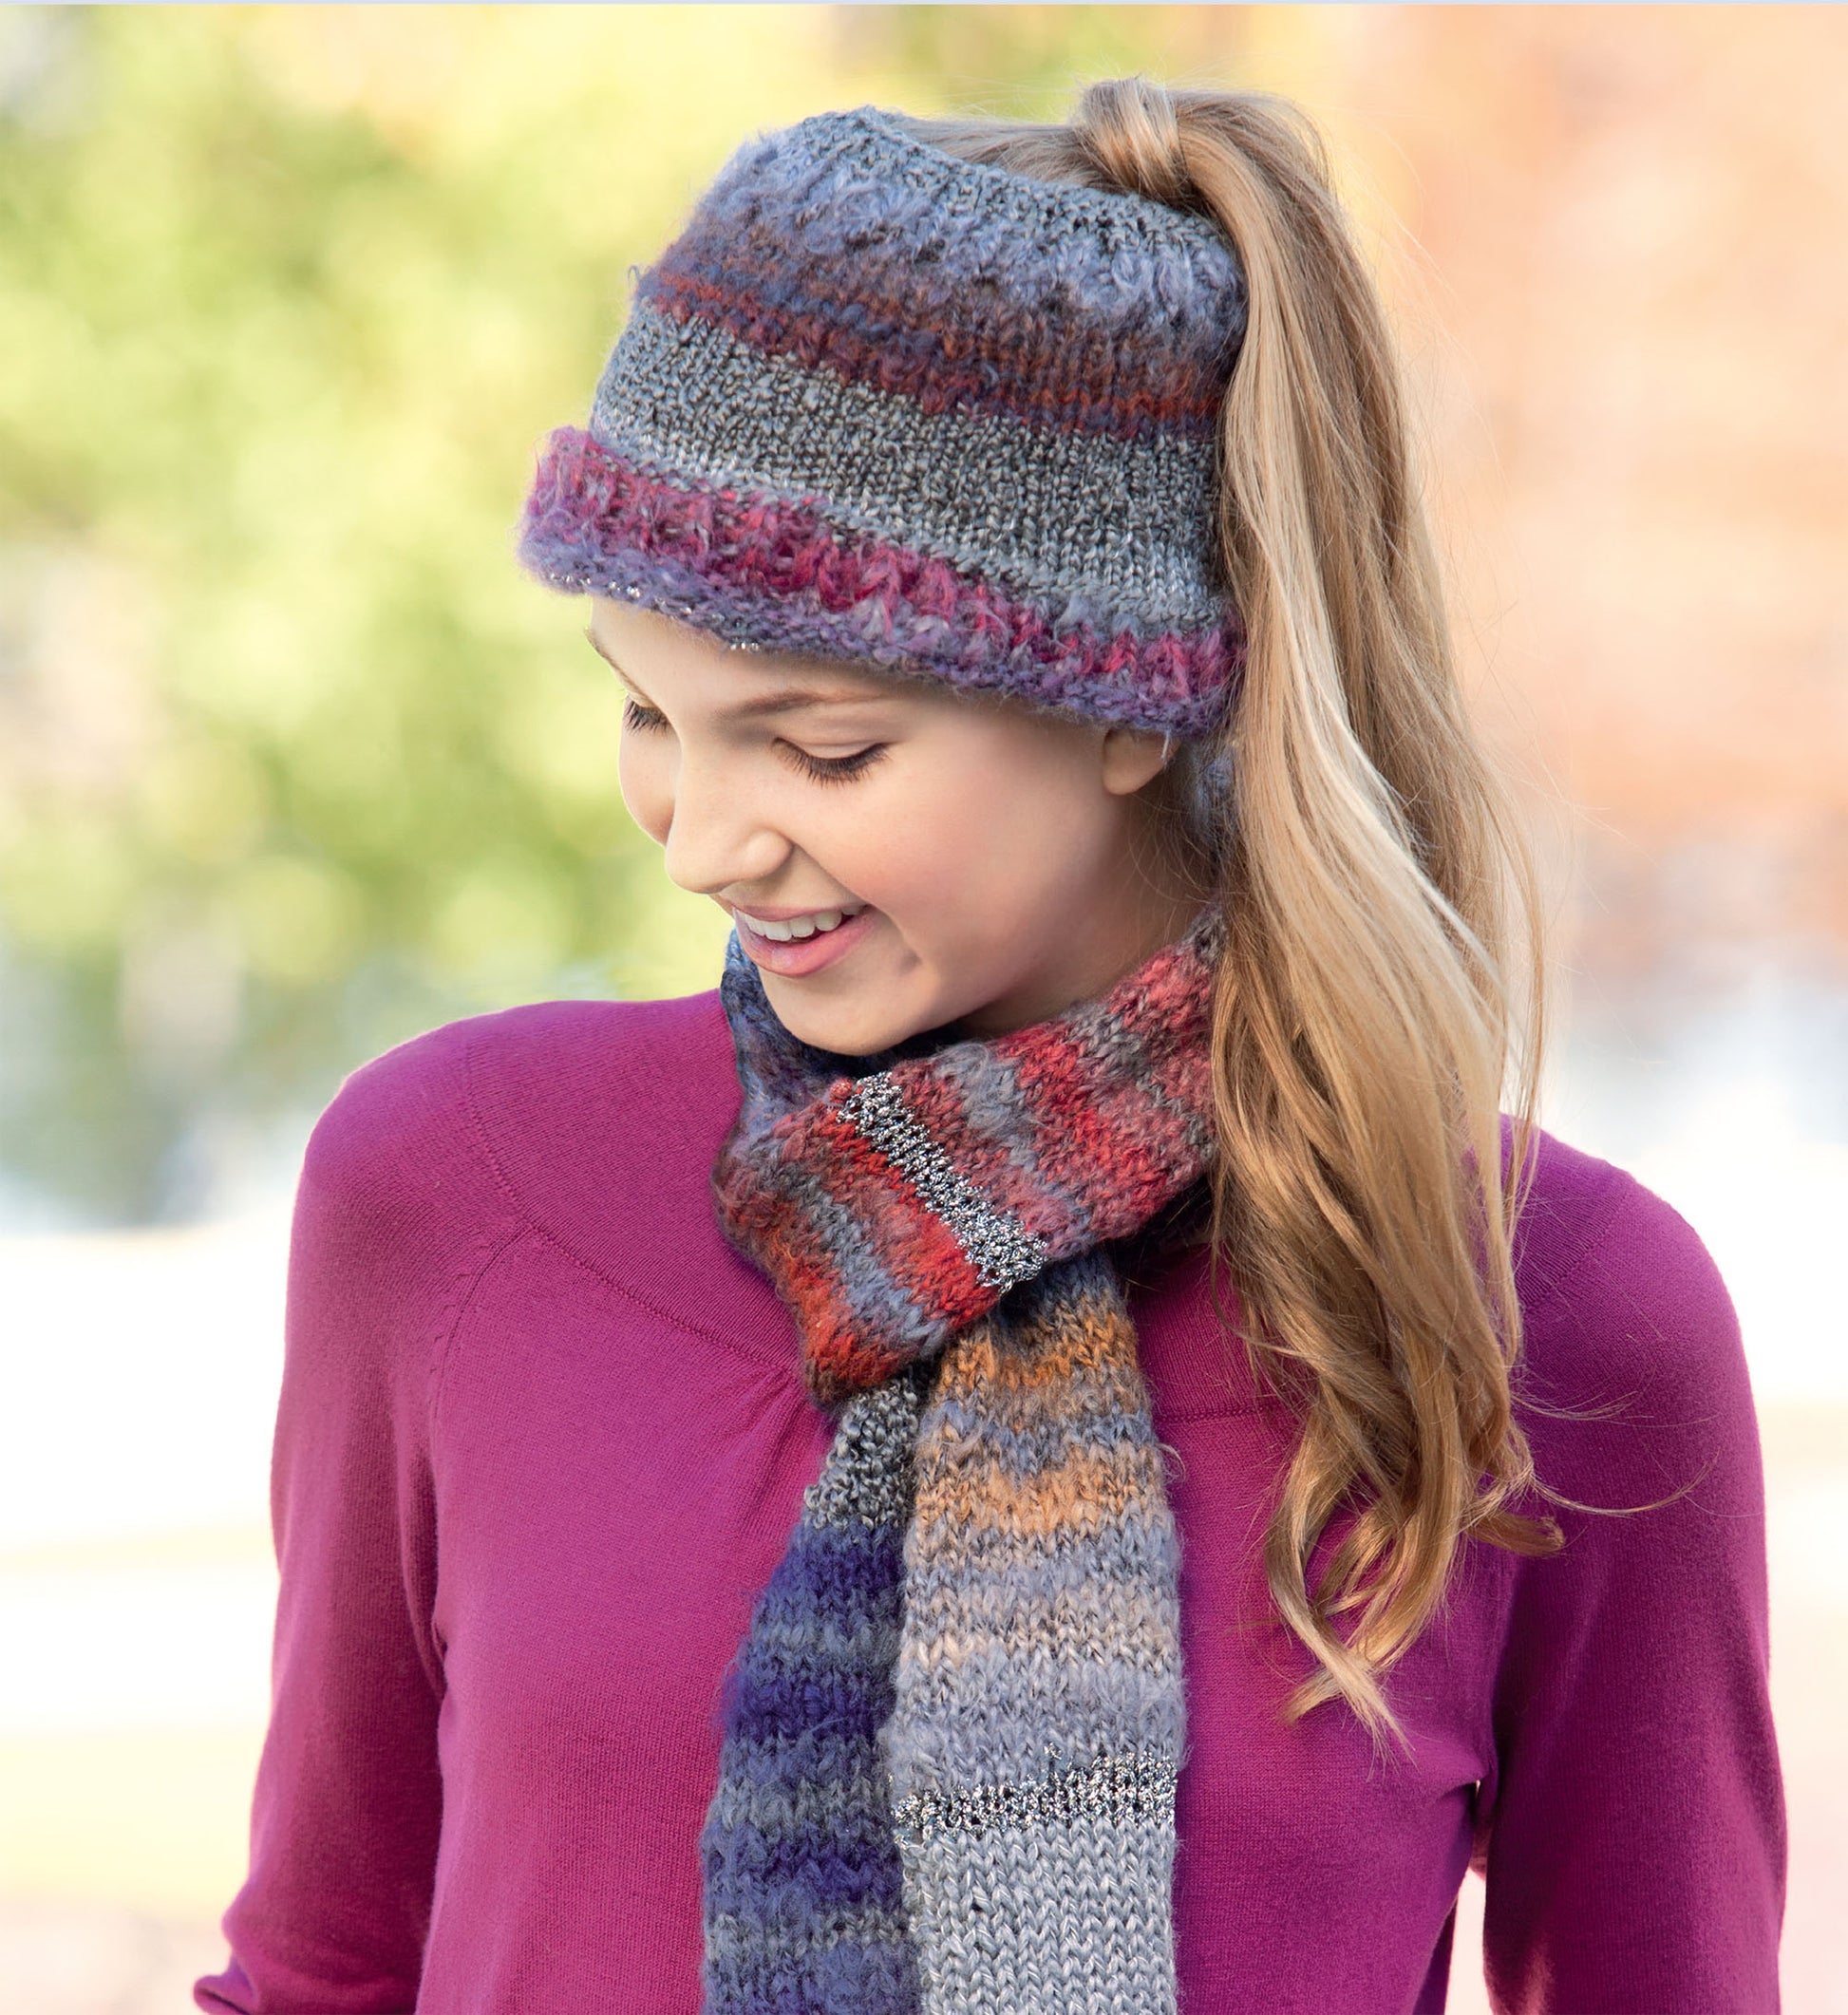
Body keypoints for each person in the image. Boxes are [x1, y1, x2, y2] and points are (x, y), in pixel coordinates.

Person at [195, 78, 1784, 2015]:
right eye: (647, 713)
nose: (702, 837)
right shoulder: (449, 1193)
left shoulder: (1546, 1315)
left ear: (1131, 696)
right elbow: (317, 1970)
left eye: (823, 747)